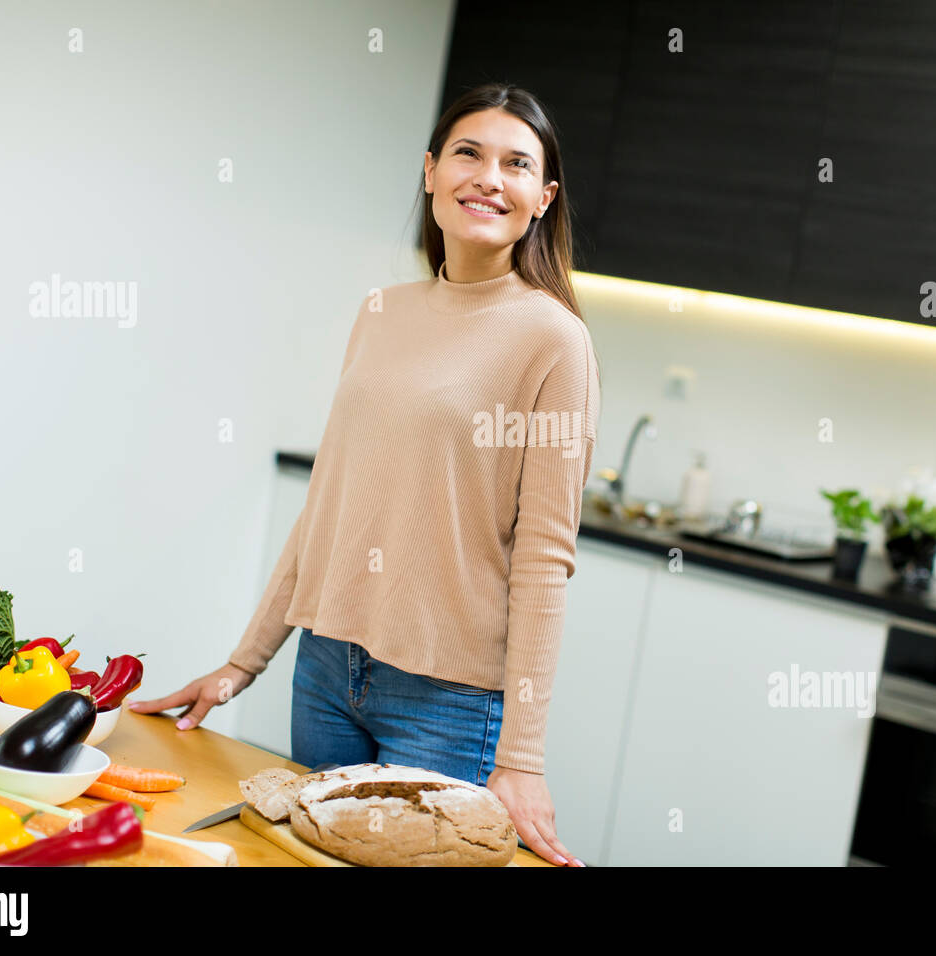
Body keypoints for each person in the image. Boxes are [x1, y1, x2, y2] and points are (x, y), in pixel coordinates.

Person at [131, 83, 599, 867]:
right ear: (430, 173)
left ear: (542, 198)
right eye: (468, 153)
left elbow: (545, 559)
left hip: (448, 700)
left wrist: (522, 757)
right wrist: (244, 661)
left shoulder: (555, 341)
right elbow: (331, 502)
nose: (489, 177)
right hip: (326, 670)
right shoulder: (382, 311)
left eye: (517, 164)